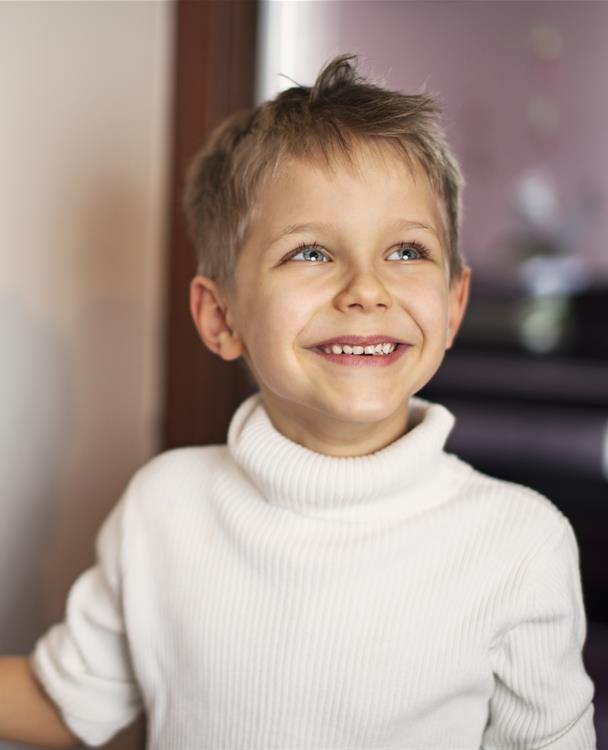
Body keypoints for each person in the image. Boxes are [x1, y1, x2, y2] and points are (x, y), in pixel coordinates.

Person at [0, 53, 596, 749]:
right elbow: (66, 703)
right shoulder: (163, 506)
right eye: (311, 253)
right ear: (221, 317)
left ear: (455, 303)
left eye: (406, 251)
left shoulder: (519, 545)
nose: (367, 289)